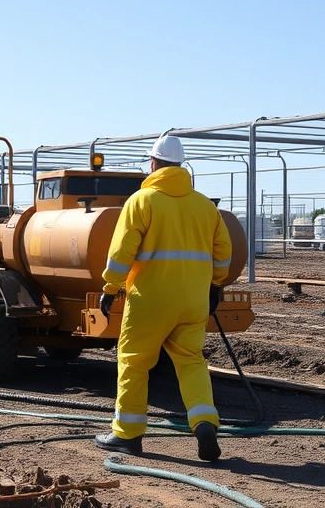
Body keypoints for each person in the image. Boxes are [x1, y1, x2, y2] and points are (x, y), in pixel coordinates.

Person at [94, 131, 232, 462]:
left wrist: (110, 287)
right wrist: (216, 284)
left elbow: (120, 253)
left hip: (150, 301)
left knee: (134, 362)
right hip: (194, 301)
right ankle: (204, 423)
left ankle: (127, 435)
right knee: (191, 361)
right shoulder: (204, 206)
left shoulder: (141, 201)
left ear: (153, 164)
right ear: (180, 166)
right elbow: (223, 253)